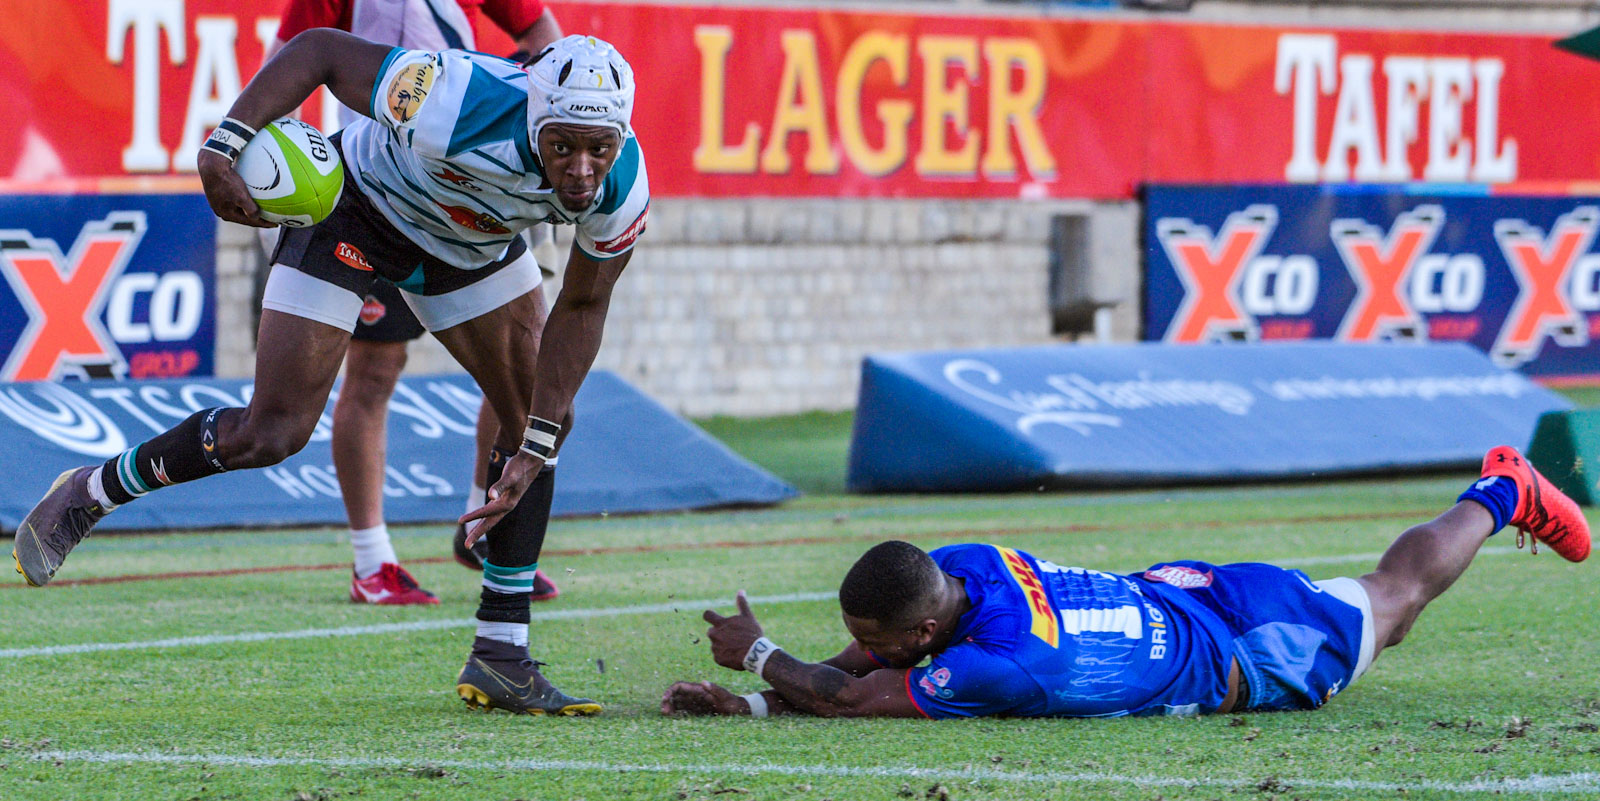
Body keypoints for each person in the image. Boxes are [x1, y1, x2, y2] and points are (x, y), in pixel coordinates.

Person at [13, 29, 649, 717]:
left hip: (470, 246)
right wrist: (225, 143)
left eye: (599, 149)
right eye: (563, 146)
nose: (582, 169)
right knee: (273, 431)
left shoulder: (623, 185)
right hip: (361, 208)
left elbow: (582, 306)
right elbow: (319, 51)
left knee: (543, 422)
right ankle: (91, 489)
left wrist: (534, 444)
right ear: (533, 120)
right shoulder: (455, 97)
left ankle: (502, 653)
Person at [662, 446, 1590, 719]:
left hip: (1241, 648)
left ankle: (1502, 489)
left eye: (878, 634)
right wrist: (757, 701)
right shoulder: (964, 569)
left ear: (920, 633)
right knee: (1375, 617)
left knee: (1395, 596)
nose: (865, 643)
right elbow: (872, 657)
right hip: (1182, 594)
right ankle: (1464, 530)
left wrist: (763, 655)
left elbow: (861, 691)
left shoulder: (1001, 663)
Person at [265, 0, 565, 606]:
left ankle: (485, 525)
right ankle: (372, 560)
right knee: (373, 370)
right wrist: (276, 172)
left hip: (473, 187)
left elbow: (539, 31)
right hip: (378, 189)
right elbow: (291, 62)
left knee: (514, 366)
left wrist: (522, 107)